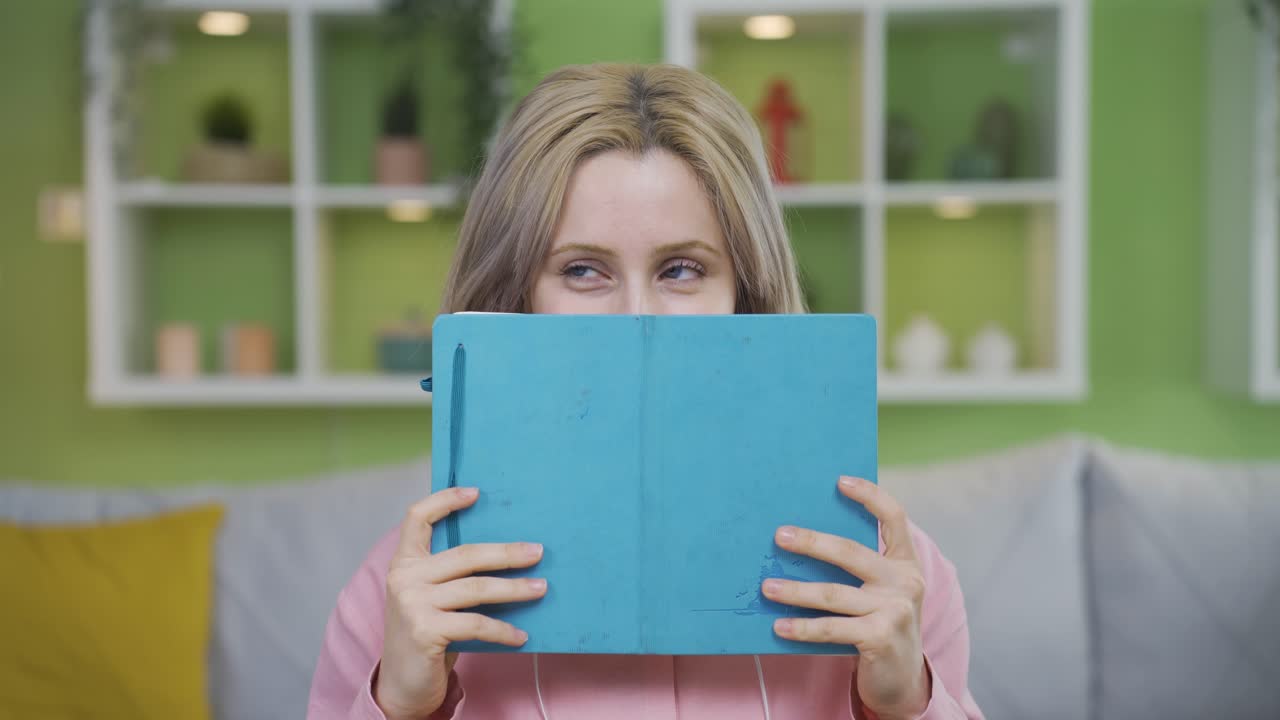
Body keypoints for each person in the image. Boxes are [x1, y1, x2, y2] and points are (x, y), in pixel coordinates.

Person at [308, 63, 983, 720]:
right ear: (516, 300)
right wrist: (399, 708)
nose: (639, 317)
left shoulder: (895, 584)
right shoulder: (404, 598)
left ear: (746, 297)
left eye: (683, 269)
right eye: (581, 270)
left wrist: (904, 708)